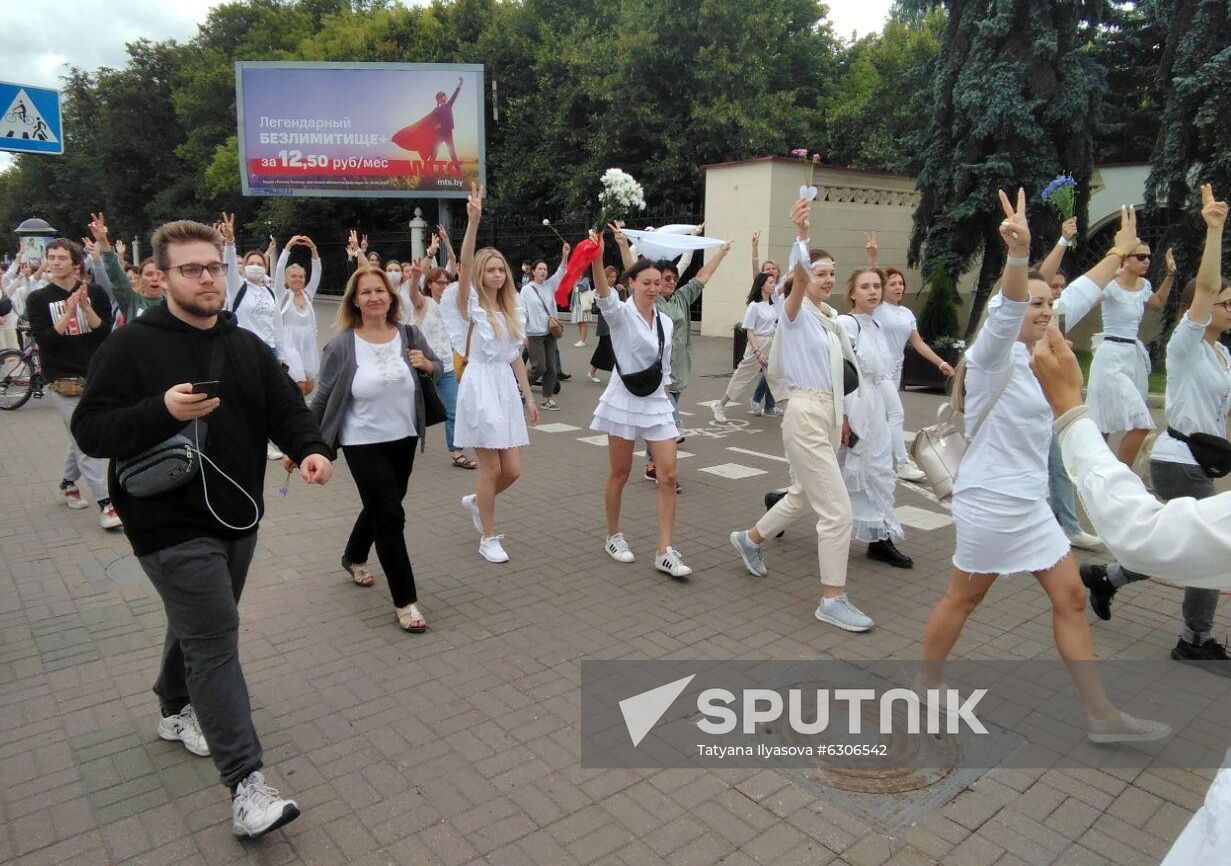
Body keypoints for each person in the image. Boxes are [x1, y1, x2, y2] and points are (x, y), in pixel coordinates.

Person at [71, 219, 334, 839]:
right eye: (193, 269)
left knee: (198, 625)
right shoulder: (131, 348)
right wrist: (158, 410)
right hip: (165, 522)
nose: (209, 278)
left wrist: (310, 446)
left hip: (238, 513)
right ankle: (247, 787)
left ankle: (172, 702)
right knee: (216, 636)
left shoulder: (242, 344)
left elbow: (285, 408)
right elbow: (91, 430)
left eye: (214, 267)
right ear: (161, 277)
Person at [917, 190, 1167, 743]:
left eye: (1046, 305)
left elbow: (1074, 295)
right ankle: (926, 687)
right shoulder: (988, 356)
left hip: (1029, 505)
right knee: (965, 598)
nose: (1044, 310)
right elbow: (1009, 310)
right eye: (1035, 305)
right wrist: (1019, 256)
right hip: (989, 502)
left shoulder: (1040, 355)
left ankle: (1102, 717)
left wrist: (1115, 255)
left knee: (1072, 596)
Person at [1030, 249, 1231, 866]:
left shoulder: (1221, 353)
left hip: (1114, 482)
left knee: (1080, 589)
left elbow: (1146, 533)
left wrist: (1070, 413)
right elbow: (1075, 296)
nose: (1043, 308)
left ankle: (1110, 595)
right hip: (1014, 501)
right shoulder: (1189, 342)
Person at [1077, 185, 1230, 671]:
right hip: (1176, 461)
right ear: (1202, 310)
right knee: (1207, 550)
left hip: (1199, 460)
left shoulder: (1223, 354)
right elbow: (1204, 289)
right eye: (1225, 304)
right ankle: (1193, 639)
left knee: (1178, 543)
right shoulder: (1187, 342)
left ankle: (1109, 578)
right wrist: (1214, 230)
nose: (1229, 309)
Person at [728, 197, 873, 632]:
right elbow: (796, 284)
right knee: (838, 512)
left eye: (831, 273)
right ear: (802, 278)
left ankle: (749, 539)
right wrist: (803, 238)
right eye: (819, 273)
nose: (826, 279)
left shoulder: (830, 319)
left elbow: (837, 377)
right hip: (805, 415)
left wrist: (843, 418)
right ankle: (832, 599)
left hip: (826, 414)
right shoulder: (792, 315)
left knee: (804, 495)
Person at [310, 267, 439, 632]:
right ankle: (406, 601)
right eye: (365, 292)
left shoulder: (409, 334)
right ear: (355, 300)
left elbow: (438, 366)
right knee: (390, 517)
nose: (374, 298)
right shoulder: (341, 345)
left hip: (404, 436)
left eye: (379, 291)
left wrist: (428, 364)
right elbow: (322, 397)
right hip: (360, 440)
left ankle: (353, 556)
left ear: (390, 296)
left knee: (385, 503)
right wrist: (302, 443)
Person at [589, 238, 692, 577]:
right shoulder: (620, 315)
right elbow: (603, 293)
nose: (652, 288)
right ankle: (613, 535)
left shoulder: (665, 322)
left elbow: (664, 368)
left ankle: (665, 550)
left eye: (656, 282)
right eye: (644, 282)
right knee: (620, 473)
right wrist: (597, 255)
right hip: (623, 400)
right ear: (630, 283)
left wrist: (667, 402)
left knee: (669, 475)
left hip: (656, 402)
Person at [455, 184, 539, 563]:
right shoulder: (468, 304)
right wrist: (473, 221)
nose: (496, 274)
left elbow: (515, 357)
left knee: (514, 471)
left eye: (500, 268)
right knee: (491, 468)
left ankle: (477, 501)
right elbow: (465, 260)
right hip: (479, 384)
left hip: (504, 386)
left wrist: (529, 396)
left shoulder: (511, 309)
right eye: (489, 269)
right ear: (479, 274)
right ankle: (488, 536)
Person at [611, 224, 732, 488]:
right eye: (665, 278)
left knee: (658, 424)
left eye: (672, 278)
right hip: (655, 375)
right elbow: (635, 272)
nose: (669, 282)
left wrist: (721, 252)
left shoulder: (681, 298)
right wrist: (622, 245)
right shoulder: (651, 301)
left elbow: (702, 276)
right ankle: (667, 474)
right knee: (670, 424)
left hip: (678, 371)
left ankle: (653, 466)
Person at [1057, 221, 1176, 467]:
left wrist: (1171, 274)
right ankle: (1113, 473)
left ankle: (1106, 473)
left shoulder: (1144, 286)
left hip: (1132, 355)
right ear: (1126, 258)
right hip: (1110, 355)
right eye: (1140, 256)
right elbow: (1085, 301)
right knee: (1119, 422)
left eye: (1148, 257)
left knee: (1110, 421)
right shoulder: (1111, 284)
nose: (1146, 261)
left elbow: (1157, 302)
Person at [24, 238, 119, 529]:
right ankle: (107, 505)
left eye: (61, 257)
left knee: (78, 437)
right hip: (62, 382)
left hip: (95, 377)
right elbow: (45, 341)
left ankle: (67, 481)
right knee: (84, 440)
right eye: (51, 257)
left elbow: (104, 334)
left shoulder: (97, 293)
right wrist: (66, 314)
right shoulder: (38, 299)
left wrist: (86, 307)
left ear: (76, 263)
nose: (54, 262)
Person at [1035, 218, 1105, 551]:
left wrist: (1118, 255)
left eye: (1061, 289)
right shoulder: (1019, 315)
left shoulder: (1057, 314)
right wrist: (1062, 241)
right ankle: (1048, 524)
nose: (1056, 294)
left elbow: (1087, 288)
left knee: (1060, 463)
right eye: (1051, 289)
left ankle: (1067, 525)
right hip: (1025, 408)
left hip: (1050, 404)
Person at [863, 233, 955, 481]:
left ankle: (864, 456)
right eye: (892, 283)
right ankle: (902, 463)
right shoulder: (878, 307)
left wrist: (942, 362)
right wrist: (873, 258)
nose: (898, 286)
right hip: (876, 369)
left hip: (896, 369)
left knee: (880, 416)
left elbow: (918, 344)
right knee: (896, 414)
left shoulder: (906, 314)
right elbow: (872, 280)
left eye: (900, 283)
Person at [837, 267, 912, 568]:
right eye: (865, 286)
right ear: (852, 292)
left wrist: (894, 411)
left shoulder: (875, 325)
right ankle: (779, 505)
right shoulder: (847, 323)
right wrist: (843, 416)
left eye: (876, 286)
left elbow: (883, 373)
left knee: (876, 471)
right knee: (839, 473)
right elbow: (839, 372)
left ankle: (879, 538)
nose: (873, 291)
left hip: (875, 408)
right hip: (856, 406)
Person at [220, 215, 290, 460]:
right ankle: (250, 438)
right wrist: (230, 241)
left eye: (260, 263)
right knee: (247, 397)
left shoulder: (269, 291)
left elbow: (277, 323)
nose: (256, 266)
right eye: (252, 262)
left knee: (268, 397)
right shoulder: (238, 287)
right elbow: (229, 262)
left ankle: (268, 438)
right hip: (243, 350)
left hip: (268, 351)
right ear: (244, 267)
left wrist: (280, 353)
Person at [408, 264, 475, 469]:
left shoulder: (451, 307)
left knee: (453, 410)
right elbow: (413, 295)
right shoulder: (424, 303)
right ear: (429, 284)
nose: (444, 286)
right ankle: (401, 442)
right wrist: (414, 279)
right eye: (440, 282)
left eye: (447, 282)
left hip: (445, 367)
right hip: (420, 367)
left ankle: (456, 452)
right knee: (411, 411)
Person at [712, 273, 778, 421]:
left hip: (771, 343)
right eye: (771, 282)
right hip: (758, 344)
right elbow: (749, 331)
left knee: (777, 376)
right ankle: (720, 405)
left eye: (774, 282)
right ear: (762, 285)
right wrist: (757, 351)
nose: (774, 285)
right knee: (742, 376)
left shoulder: (773, 304)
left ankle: (784, 409)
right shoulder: (754, 306)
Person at [520, 243, 570, 411]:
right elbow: (522, 312)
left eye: (545, 269)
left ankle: (546, 399)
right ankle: (522, 386)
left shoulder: (549, 285)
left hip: (550, 333)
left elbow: (561, 272)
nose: (543, 272)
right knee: (539, 366)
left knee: (551, 368)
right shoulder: (526, 290)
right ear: (533, 271)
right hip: (534, 334)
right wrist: (522, 333)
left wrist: (565, 255)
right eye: (540, 269)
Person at [272, 235, 321, 395]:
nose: (298, 279)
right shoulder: (282, 294)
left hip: (308, 342)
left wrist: (313, 248)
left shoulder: (308, 294)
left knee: (309, 385)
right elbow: (279, 269)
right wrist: (288, 246)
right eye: (293, 276)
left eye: (301, 276)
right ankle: (293, 414)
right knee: (299, 384)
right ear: (286, 278)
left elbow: (317, 272)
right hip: (288, 343)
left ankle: (296, 409)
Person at [589, 265, 623, 382]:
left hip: (614, 324)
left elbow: (619, 305)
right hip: (605, 325)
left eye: (614, 277)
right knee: (608, 349)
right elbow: (595, 305)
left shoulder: (615, 291)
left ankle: (592, 371)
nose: (613, 279)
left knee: (603, 349)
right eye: (610, 277)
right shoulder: (600, 290)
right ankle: (617, 374)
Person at [571, 274, 595, 347]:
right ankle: (581, 339)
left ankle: (582, 341)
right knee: (579, 322)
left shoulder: (585, 279)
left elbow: (583, 288)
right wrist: (571, 305)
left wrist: (576, 285)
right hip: (577, 305)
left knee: (582, 322)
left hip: (583, 305)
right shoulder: (576, 280)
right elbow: (573, 295)